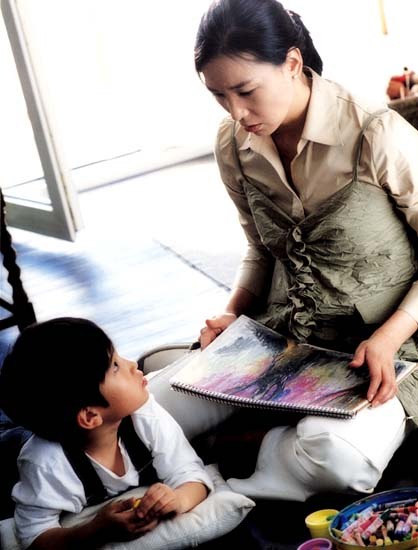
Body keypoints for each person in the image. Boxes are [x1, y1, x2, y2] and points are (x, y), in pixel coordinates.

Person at [188, 0, 418, 500]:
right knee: (157, 407)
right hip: (285, 335)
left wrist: (388, 337)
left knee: (338, 456)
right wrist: (231, 316)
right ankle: (254, 449)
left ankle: (234, 457)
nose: (235, 112)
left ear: (292, 63)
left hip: (387, 347)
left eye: (246, 91)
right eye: (218, 95)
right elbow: (259, 249)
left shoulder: (377, 134)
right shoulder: (232, 144)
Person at [0, 318, 212, 550]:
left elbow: (190, 473)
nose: (132, 364)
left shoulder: (145, 416)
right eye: (115, 366)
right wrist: (95, 530)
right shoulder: (45, 464)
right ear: (91, 415)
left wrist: (178, 499)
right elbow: (33, 537)